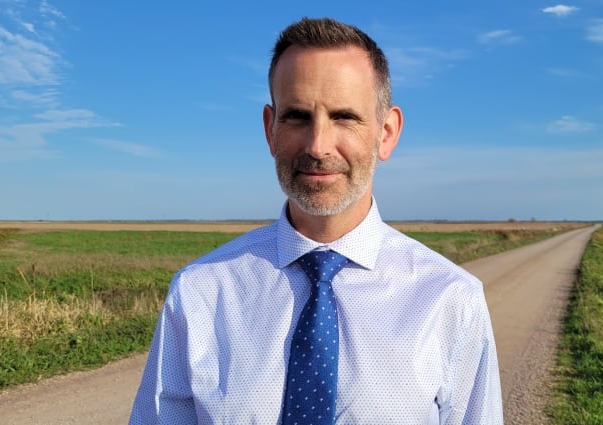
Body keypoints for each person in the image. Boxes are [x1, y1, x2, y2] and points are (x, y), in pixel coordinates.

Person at [129, 17, 502, 424]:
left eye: (344, 117)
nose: (318, 146)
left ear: (387, 132)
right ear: (271, 130)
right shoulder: (201, 293)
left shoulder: (451, 301)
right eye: (297, 117)